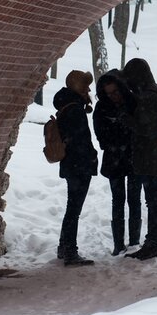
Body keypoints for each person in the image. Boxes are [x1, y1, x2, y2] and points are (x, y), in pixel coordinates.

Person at [121, 58, 157, 260]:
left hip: (150, 156)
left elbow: (146, 128)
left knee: (154, 201)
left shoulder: (148, 96)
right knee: (156, 199)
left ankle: (155, 243)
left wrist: (126, 119)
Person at [93, 70, 142, 256]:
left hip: (133, 158)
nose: (114, 96)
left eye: (116, 92)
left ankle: (134, 242)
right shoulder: (102, 108)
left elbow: (139, 129)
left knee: (134, 200)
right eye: (109, 93)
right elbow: (102, 137)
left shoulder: (132, 103)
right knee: (118, 201)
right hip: (114, 160)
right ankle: (118, 243)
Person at [53, 70, 98, 266]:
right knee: (74, 209)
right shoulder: (75, 110)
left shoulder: (66, 106)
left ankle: (65, 247)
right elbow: (80, 141)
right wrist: (90, 157)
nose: (88, 89)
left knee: (72, 208)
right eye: (85, 85)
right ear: (77, 87)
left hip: (71, 165)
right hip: (79, 166)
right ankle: (69, 250)